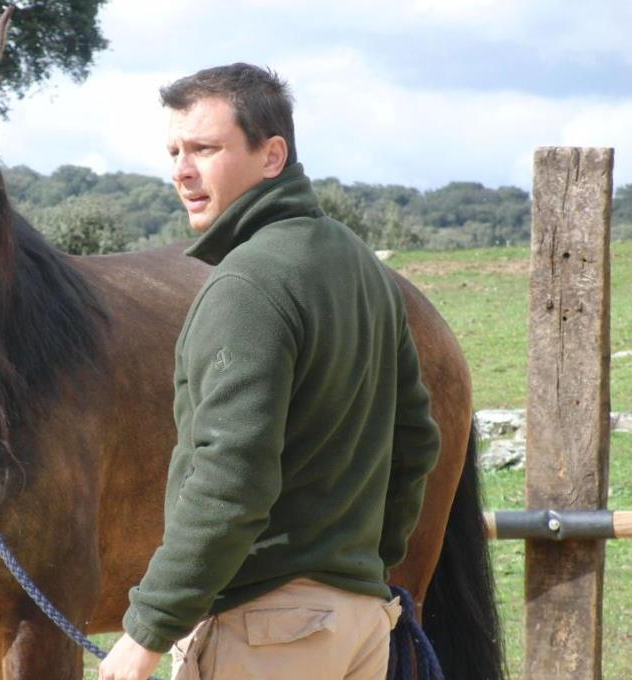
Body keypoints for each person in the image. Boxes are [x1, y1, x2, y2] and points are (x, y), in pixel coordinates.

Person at [98, 63, 441, 680]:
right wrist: (358, 569)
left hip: (267, 632)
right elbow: (416, 441)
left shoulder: (246, 285)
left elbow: (231, 480)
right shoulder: (362, 266)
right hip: (362, 625)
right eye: (175, 151)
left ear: (272, 154)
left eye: (205, 148)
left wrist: (147, 631)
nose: (181, 170)